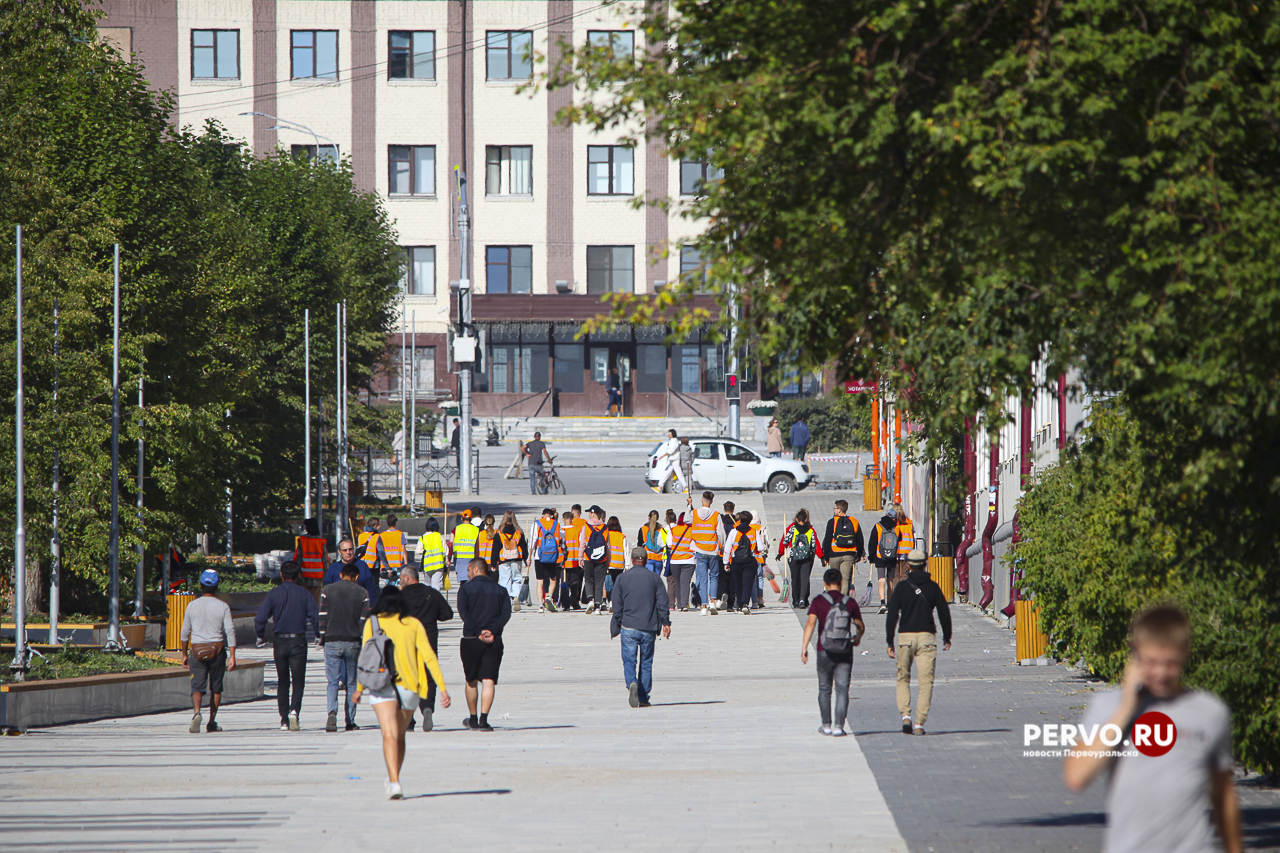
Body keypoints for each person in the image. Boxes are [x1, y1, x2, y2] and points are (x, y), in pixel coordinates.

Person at [1063, 604, 1242, 853]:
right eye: (1152, 662)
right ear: (1135, 655)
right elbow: (1076, 776)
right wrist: (1126, 709)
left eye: (1170, 663)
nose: (1160, 672)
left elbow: (1223, 793)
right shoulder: (1109, 707)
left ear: (1185, 654)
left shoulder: (1209, 711)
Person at [353, 585, 451, 800]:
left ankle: (394, 781)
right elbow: (429, 657)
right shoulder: (413, 624)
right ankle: (394, 778)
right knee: (400, 735)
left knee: (388, 734)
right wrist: (442, 688)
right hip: (409, 687)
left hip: (381, 684)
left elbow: (366, 656)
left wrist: (359, 688)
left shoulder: (373, 623)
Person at [885, 548, 952, 736]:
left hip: (905, 636)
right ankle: (919, 724)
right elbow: (943, 612)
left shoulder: (901, 588)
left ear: (908, 565)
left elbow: (892, 615)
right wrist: (947, 636)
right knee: (926, 682)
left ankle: (905, 715)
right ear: (925, 564)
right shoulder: (932, 587)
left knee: (902, 677)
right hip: (927, 638)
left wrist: (889, 641)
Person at [254, 560, 320, 731]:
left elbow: (260, 619)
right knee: (298, 681)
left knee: (283, 681)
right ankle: (294, 712)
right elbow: (315, 617)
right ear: (299, 576)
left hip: (280, 641)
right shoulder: (305, 594)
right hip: (298, 641)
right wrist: (319, 636)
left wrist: (261, 636)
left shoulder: (274, 594)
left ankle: (283, 719)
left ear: (281, 575)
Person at [801, 567, 866, 736]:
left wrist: (804, 647)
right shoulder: (849, 602)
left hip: (824, 649)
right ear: (841, 582)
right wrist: (857, 637)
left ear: (824, 583)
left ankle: (826, 725)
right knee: (842, 689)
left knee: (824, 689)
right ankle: (839, 727)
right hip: (845, 650)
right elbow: (860, 625)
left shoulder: (818, 601)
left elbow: (810, 624)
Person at [612, 547, 672, 707]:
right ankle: (644, 697)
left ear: (632, 560)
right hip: (649, 626)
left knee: (629, 661)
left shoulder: (623, 578)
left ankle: (632, 682)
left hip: (629, 626)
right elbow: (663, 602)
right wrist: (666, 622)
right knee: (646, 662)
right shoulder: (654, 579)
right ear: (645, 560)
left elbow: (616, 604)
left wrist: (618, 621)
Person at [457, 557, 512, 731]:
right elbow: (505, 615)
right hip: (494, 641)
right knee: (488, 680)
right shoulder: (501, 591)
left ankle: (472, 718)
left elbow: (464, 613)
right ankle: (484, 719)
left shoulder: (465, 589)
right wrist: (492, 631)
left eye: (468, 570)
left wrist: (477, 631)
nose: (467, 573)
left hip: (471, 640)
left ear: (475, 569)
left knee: (471, 680)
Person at [180, 569, 237, 734]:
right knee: (216, 687)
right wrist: (232, 656)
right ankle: (212, 721)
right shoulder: (223, 606)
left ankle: (197, 713)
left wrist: (184, 654)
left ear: (200, 585)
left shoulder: (192, 605)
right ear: (217, 586)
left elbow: (185, 632)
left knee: (197, 685)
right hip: (217, 650)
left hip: (197, 650)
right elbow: (230, 630)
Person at [399, 566, 454, 733]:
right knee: (428, 679)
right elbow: (447, 614)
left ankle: (408, 719)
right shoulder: (432, 594)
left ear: (407, 578)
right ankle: (427, 707)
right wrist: (431, 614)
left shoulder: (399, 597)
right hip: (428, 642)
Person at [319, 561, 369, 732]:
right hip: (353, 641)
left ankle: (332, 712)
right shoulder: (362, 593)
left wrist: (322, 637)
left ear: (341, 575)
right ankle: (350, 720)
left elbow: (323, 616)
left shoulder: (328, 590)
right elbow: (364, 621)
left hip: (332, 641)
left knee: (332, 681)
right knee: (352, 683)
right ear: (357, 577)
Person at [686, 491, 723, 615]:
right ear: (712, 501)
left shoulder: (694, 513)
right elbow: (721, 533)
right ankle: (712, 600)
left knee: (702, 578)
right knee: (714, 576)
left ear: (702, 499)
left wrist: (689, 505)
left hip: (699, 549)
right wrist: (721, 547)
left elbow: (686, 519)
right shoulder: (716, 515)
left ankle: (703, 606)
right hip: (712, 549)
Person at [778, 508, 823, 609]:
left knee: (795, 578)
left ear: (797, 519)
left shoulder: (791, 528)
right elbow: (816, 544)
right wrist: (821, 556)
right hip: (808, 558)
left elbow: (784, 541)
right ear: (806, 519)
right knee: (805, 578)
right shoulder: (811, 530)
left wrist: (780, 553)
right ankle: (803, 599)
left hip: (794, 557)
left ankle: (795, 600)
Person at [821, 500, 864, 595]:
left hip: (834, 554)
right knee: (845, 579)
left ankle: (835, 598)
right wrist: (859, 554)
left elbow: (827, 540)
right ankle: (843, 601)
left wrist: (826, 556)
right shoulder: (854, 521)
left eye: (835, 508)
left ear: (839, 510)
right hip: (849, 554)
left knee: (835, 579)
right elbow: (860, 539)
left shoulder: (832, 522)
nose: (834, 510)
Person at [723, 511, 762, 615]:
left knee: (738, 583)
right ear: (750, 520)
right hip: (750, 560)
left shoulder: (733, 532)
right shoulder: (754, 531)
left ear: (739, 520)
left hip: (736, 561)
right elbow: (761, 547)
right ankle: (745, 604)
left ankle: (739, 606)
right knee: (747, 583)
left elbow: (727, 548)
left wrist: (726, 562)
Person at [324, 538, 381, 605]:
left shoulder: (362, 566)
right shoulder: (333, 568)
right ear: (339, 551)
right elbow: (327, 590)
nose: (348, 552)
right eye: (345, 550)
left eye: (350, 549)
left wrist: (372, 607)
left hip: (359, 605)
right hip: (338, 606)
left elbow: (371, 589)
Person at [528, 507, 565, 612]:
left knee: (540, 581)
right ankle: (549, 596)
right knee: (553, 579)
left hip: (539, 556)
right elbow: (562, 535)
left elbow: (533, 540)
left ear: (542, 515)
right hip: (552, 556)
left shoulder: (537, 524)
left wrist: (529, 556)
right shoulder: (556, 524)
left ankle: (540, 605)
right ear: (552, 515)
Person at [490, 510, 527, 611]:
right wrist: (526, 559)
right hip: (517, 559)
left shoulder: (500, 532)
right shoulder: (519, 532)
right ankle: (515, 596)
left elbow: (495, 548)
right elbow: (524, 546)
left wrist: (494, 563)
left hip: (503, 559)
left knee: (505, 580)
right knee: (517, 578)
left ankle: (507, 601)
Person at [866, 508, 900, 614]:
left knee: (881, 579)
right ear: (894, 518)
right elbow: (899, 541)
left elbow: (872, 543)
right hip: (892, 557)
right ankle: (890, 603)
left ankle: (882, 603)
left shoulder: (878, 526)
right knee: (890, 580)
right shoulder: (897, 528)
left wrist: (871, 557)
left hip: (879, 556)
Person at [579, 505, 611, 615]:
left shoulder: (586, 526)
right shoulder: (605, 527)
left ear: (593, 513)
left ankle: (591, 600)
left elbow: (582, 543)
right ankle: (598, 607)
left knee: (588, 579)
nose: (588, 515)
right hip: (601, 557)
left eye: (589, 513)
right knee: (599, 582)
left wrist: (580, 557)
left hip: (588, 556)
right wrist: (608, 560)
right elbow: (607, 545)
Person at [665, 509, 696, 611]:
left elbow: (669, 544)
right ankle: (684, 604)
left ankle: (679, 605)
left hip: (675, 560)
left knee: (677, 583)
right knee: (685, 583)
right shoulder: (691, 529)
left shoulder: (673, 529)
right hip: (688, 559)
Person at [293, 517, 329, 604]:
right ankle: (314, 616)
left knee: (304, 600)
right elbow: (325, 560)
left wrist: (296, 573)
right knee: (315, 601)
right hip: (318, 575)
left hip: (305, 575)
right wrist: (326, 575)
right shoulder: (321, 541)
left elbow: (299, 558)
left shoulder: (303, 540)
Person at [450, 507, 483, 589]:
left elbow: (450, 544)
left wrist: (448, 558)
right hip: (472, 559)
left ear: (462, 518)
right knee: (471, 580)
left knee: (463, 581)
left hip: (459, 558)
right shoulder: (476, 530)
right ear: (471, 518)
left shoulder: (456, 529)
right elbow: (479, 545)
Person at [560, 509, 584, 610]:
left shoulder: (560, 530)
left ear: (563, 519)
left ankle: (565, 603)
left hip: (564, 561)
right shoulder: (577, 530)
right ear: (572, 519)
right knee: (575, 582)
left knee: (565, 582)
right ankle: (574, 599)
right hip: (575, 560)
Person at [415, 517, 448, 591]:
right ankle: (435, 600)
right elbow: (446, 551)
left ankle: (428, 600)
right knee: (436, 585)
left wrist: (425, 551)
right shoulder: (439, 536)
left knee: (427, 585)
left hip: (427, 565)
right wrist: (447, 560)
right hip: (439, 565)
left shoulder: (423, 537)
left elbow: (418, 550)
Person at [603, 516, 628, 612]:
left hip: (609, 564)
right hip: (619, 564)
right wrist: (627, 565)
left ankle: (610, 602)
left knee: (609, 585)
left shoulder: (607, 535)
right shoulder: (622, 536)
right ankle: (616, 602)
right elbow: (626, 551)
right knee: (618, 585)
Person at [717, 501, 738, 611]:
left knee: (721, 578)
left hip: (721, 554)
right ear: (733, 510)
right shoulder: (736, 521)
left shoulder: (720, 520)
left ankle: (721, 595)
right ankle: (730, 604)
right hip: (733, 555)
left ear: (724, 509)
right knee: (732, 579)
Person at [638, 510, 667, 576]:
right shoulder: (661, 529)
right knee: (656, 579)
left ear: (649, 517)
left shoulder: (643, 529)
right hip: (659, 558)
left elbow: (639, 545)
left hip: (648, 557)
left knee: (649, 579)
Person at [380, 514, 408, 581]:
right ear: (396, 522)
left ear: (387, 523)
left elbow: (380, 551)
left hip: (386, 565)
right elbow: (403, 549)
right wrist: (406, 563)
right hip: (398, 564)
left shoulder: (382, 535)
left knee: (388, 585)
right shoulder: (400, 534)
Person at [651, 429, 680, 494]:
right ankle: (659, 487)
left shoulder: (674, 441)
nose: (668, 435)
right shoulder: (671, 441)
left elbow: (670, 451)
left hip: (675, 460)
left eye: (669, 433)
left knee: (679, 474)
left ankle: (686, 487)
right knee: (666, 473)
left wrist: (662, 456)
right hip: (672, 460)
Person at [524, 431, 553, 495]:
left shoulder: (530, 443)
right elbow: (545, 452)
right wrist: (549, 459)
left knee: (532, 479)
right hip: (538, 463)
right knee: (542, 477)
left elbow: (522, 448)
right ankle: (543, 491)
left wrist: (527, 454)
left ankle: (533, 492)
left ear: (534, 437)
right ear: (539, 437)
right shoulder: (542, 443)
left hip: (531, 463)